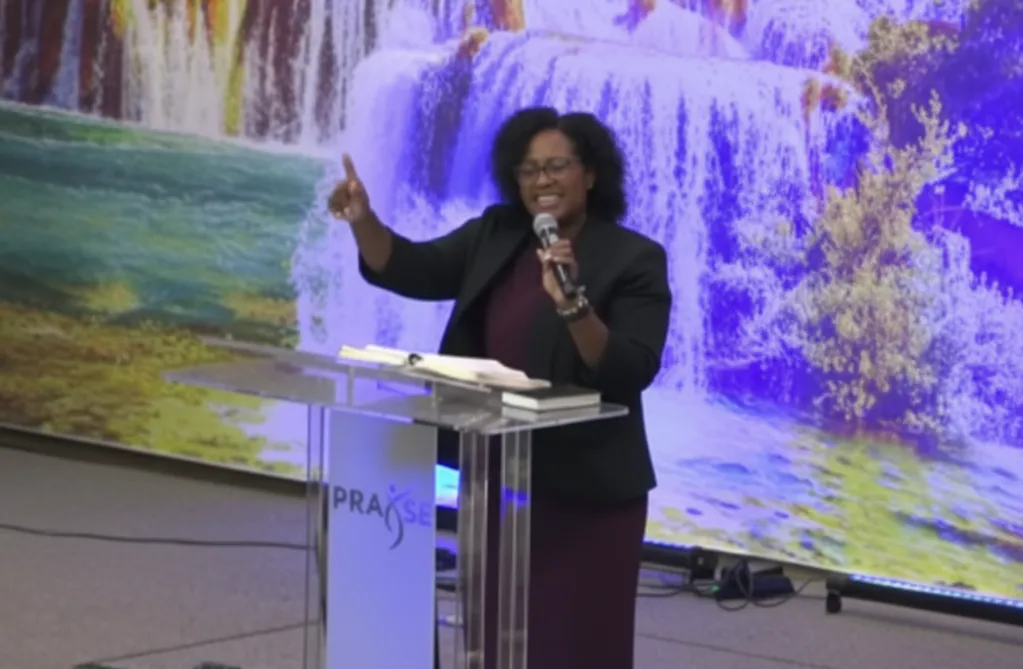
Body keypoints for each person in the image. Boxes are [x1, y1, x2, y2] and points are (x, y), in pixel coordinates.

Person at [328, 107, 672, 669]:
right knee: (495, 639)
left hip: (587, 492)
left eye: (557, 166)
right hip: (500, 477)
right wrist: (363, 219)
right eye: (528, 170)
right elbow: (411, 267)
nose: (542, 181)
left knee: (573, 646)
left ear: (590, 174)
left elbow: (628, 370)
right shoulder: (497, 233)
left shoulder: (634, 258)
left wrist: (573, 305)